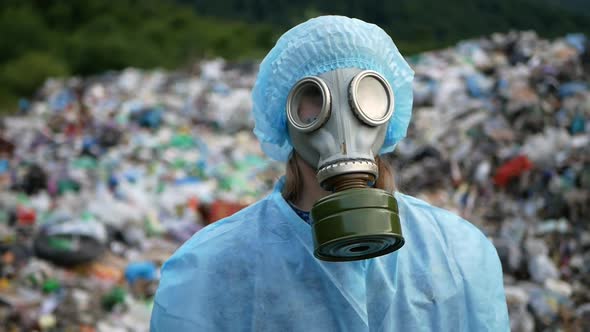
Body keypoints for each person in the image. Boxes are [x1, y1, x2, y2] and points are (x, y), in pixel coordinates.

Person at [150, 16, 509, 331]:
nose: (342, 120)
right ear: (285, 115)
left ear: (387, 109)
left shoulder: (460, 252)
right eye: (315, 97)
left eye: (365, 95)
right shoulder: (209, 270)